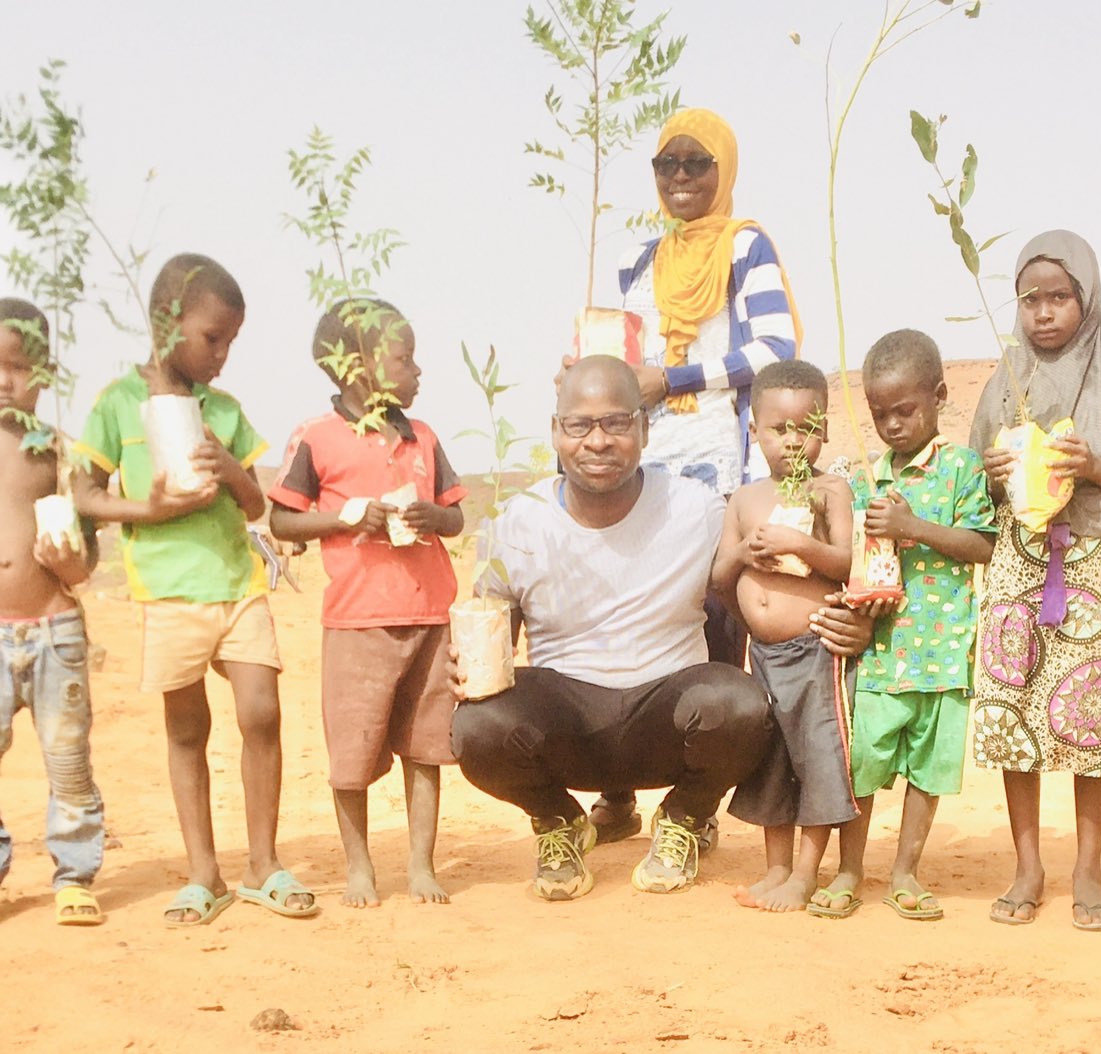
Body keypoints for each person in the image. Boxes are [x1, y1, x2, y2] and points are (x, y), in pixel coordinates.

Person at [451, 355, 775, 900]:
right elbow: (491, 646)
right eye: (579, 424)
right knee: (476, 727)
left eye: (617, 423)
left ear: (645, 428)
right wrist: (463, 667)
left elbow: (753, 593)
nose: (597, 441)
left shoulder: (696, 509)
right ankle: (558, 820)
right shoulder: (515, 523)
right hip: (568, 725)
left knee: (742, 707)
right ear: (556, 432)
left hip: (667, 718)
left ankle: (684, 818)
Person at [74, 253, 315, 926]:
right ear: (166, 322)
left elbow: (254, 504)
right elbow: (84, 494)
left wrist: (230, 465)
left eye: (232, 341)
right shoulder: (118, 405)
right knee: (187, 729)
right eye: (214, 338)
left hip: (236, 583)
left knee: (260, 711)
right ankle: (204, 873)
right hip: (169, 592)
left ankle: (262, 862)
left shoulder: (225, 410)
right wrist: (145, 511)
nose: (223, 355)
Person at [591, 106, 801, 844]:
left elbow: (777, 347)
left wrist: (673, 375)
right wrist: (597, 377)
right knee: (627, 618)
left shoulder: (746, 247)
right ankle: (616, 791)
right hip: (641, 471)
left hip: (717, 469)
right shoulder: (640, 263)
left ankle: (695, 805)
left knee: (713, 625)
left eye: (696, 164)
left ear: (724, 170)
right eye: (667, 165)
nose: (680, 178)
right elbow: (626, 362)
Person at [969, 231, 1101, 931]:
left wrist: (1094, 469)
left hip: (1084, 560)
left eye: (1060, 297)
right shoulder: (1008, 376)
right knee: (1012, 713)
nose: (1044, 313)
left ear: (1086, 299)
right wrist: (995, 474)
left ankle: (1088, 868)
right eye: (1031, 299)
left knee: (1093, 715)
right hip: (1016, 563)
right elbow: (979, 480)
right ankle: (1028, 866)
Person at [268, 299, 465, 907]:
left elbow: (455, 515)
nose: (417, 371)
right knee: (351, 749)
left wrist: (434, 516)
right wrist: (349, 515)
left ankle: (420, 864)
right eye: (404, 358)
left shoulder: (423, 437)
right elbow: (282, 520)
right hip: (357, 619)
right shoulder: (317, 439)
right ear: (357, 368)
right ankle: (359, 866)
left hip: (429, 612)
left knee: (426, 745)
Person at [811, 331, 996, 921]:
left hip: (944, 657)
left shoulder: (962, 469)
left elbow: (980, 546)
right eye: (879, 414)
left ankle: (907, 873)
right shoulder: (868, 480)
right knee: (862, 766)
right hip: (883, 657)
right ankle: (848, 869)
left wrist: (913, 525)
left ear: (939, 396)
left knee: (929, 770)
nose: (892, 425)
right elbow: (858, 562)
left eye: (905, 410)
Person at [711, 361, 856, 913]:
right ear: (754, 429)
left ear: (823, 430)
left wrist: (802, 543)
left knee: (817, 756)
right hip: (764, 655)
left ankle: (804, 874)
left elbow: (845, 563)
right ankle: (775, 868)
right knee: (772, 759)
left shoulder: (830, 490)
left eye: (805, 428)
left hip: (816, 652)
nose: (793, 441)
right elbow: (720, 578)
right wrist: (746, 556)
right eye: (779, 429)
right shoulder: (745, 499)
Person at [0, 298, 105, 926]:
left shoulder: (60, 454)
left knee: (67, 759)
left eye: (19, 368)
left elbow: (85, 561)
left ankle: (74, 872)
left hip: (53, 629)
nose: (4, 380)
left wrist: (65, 563)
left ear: (46, 374)